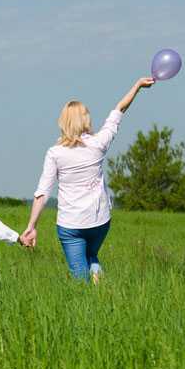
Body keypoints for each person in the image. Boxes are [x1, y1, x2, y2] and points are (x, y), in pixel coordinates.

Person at [21, 77, 155, 284]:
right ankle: (98, 278)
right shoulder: (98, 144)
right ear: (85, 120)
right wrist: (137, 86)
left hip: (70, 224)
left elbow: (43, 193)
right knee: (91, 255)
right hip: (99, 220)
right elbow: (119, 111)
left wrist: (32, 225)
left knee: (79, 277)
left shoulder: (55, 153)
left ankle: (91, 297)